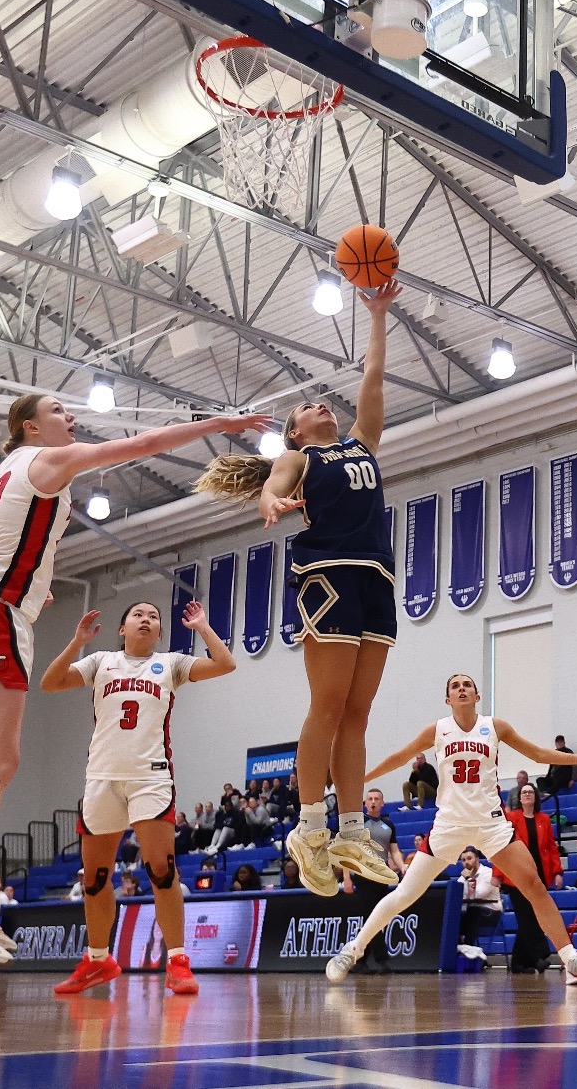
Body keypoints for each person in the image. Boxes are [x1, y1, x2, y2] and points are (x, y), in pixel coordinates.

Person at [0, 394, 266, 962]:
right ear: (31, 426)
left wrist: (26, 569)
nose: (72, 418)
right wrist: (219, 424)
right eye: (59, 410)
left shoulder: (5, 473)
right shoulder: (47, 460)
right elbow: (142, 445)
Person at [195, 281, 404, 898]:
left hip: (376, 576)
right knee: (328, 704)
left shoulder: (362, 444)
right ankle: (309, 825)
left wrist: (378, 316)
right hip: (329, 575)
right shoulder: (301, 461)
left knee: (359, 714)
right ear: (294, 431)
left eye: (323, 403)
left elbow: (374, 378)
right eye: (309, 408)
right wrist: (269, 500)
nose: (322, 407)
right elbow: (272, 484)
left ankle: (349, 830)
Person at [325, 674, 577, 984]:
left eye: (467, 685)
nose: (461, 689)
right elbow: (400, 757)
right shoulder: (438, 730)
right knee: (406, 893)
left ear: (476, 695)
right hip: (450, 825)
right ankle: (352, 950)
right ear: (448, 699)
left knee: (533, 885)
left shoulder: (495, 727)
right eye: (454, 686)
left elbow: (537, 754)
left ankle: (571, 961)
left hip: (491, 823)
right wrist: (361, 780)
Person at [40, 599, 236, 996]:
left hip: (150, 779)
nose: (146, 620)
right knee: (94, 880)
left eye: (153, 618)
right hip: (101, 779)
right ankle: (98, 960)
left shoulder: (172, 664)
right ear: (122, 628)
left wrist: (201, 627)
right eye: (138, 615)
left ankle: (178, 960)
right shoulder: (100, 662)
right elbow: (50, 682)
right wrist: (77, 642)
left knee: (161, 871)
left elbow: (225, 663)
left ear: (160, 633)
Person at [503, 783, 562, 973]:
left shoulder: (544, 819)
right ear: (519, 798)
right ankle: (540, 955)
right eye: (524, 792)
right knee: (529, 917)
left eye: (530, 792)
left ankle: (520, 963)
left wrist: (558, 871)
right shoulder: (512, 818)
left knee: (527, 919)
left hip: (539, 876)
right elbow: (502, 847)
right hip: (516, 876)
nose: (527, 795)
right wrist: (497, 874)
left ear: (535, 797)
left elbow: (552, 848)